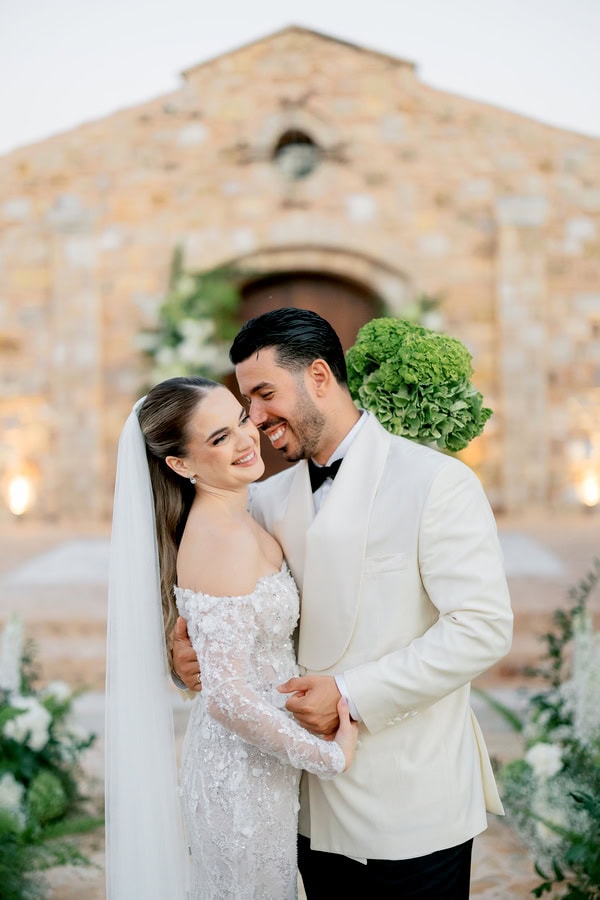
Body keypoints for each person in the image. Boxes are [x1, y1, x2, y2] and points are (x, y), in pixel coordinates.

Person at [172, 307, 514, 899]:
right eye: (245, 401)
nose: (254, 418)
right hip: (304, 801)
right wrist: (188, 658)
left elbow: (481, 629)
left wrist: (351, 694)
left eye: (263, 393)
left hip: (411, 799)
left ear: (321, 377)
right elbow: (234, 617)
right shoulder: (264, 498)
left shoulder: (435, 482)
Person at [105, 375, 358, 900]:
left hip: (265, 765)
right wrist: (326, 756)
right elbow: (226, 699)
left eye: (242, 419)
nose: (247, 439)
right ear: (181, 464)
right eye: (219, 438)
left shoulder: (245, 512)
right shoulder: (217, 538)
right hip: (239, 778)